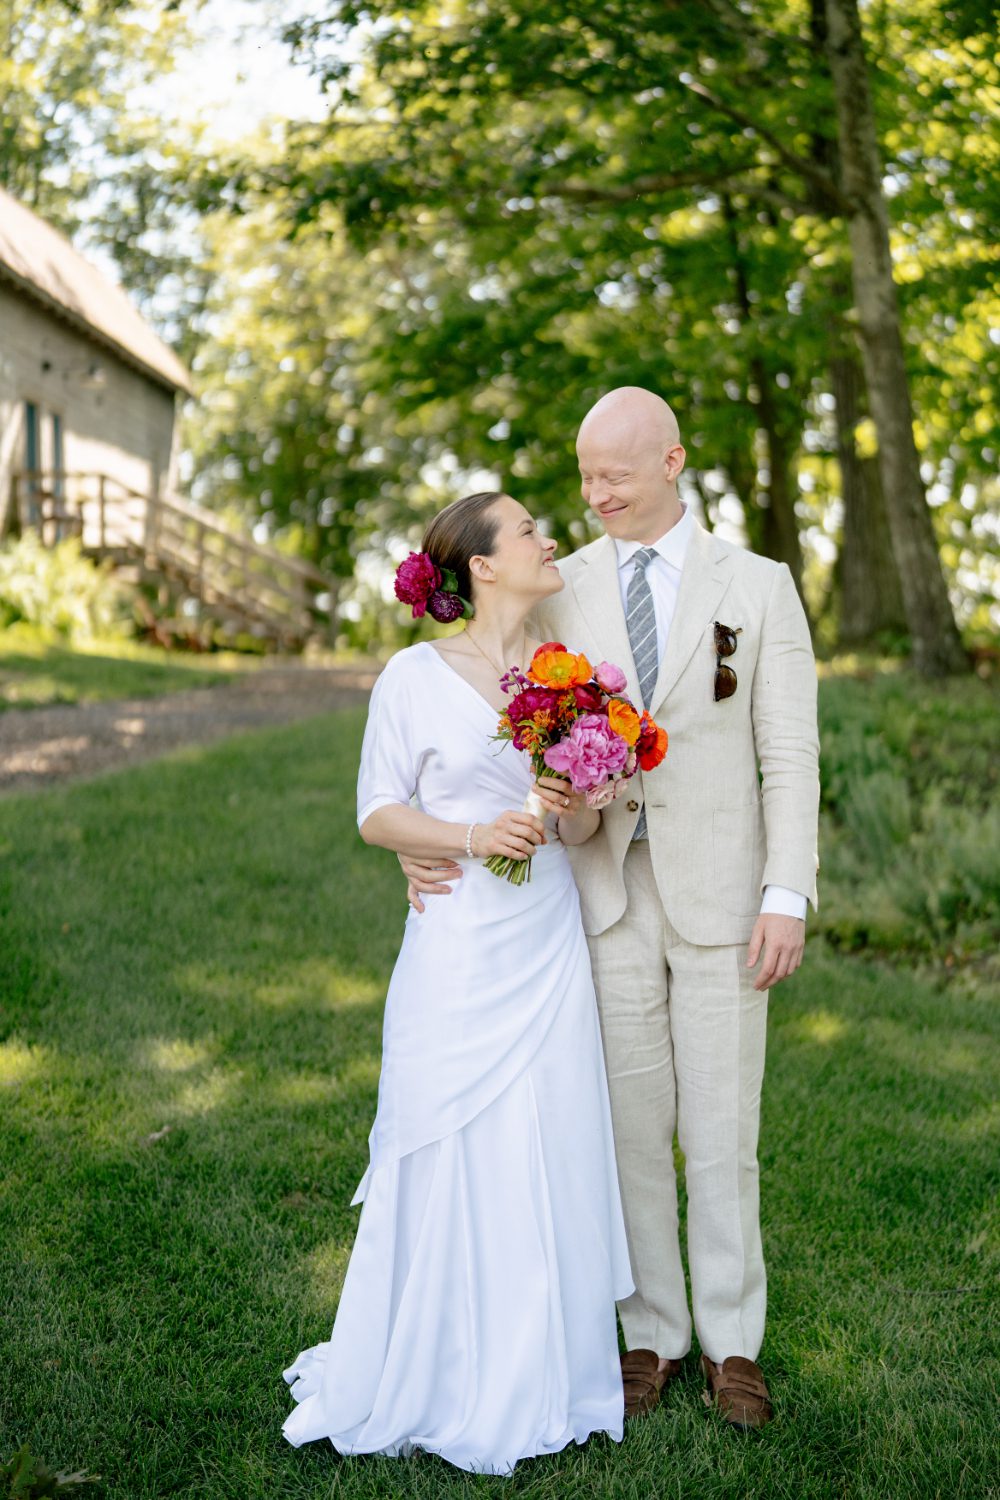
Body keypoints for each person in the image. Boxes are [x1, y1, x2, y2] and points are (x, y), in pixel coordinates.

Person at [402, 388, 820, 1428]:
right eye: (583, 478)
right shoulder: (559, 590)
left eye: (612, 477)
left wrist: (787, 893)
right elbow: (474, 695)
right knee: (630, 1127)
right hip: (598, 897)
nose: (591, 497)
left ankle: (732, 1341)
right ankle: (650, 1334)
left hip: (727, 898)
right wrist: (430, 835)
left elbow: (790, 753)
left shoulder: (758, 587)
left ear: (672, 462)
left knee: (723, 1131)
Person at [281, 489, 633, 1474]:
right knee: (448, 1136)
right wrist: (474, 835)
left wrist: (578, 799)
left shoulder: (563, 677)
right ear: (481, 564)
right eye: (527, 529)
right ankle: (433, 1364)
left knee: (549, 1137)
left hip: (546, 937)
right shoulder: (411, 676)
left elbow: (581, 828)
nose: (547, 536)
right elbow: (377, 813)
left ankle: (546, 1371)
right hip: (458, 945)